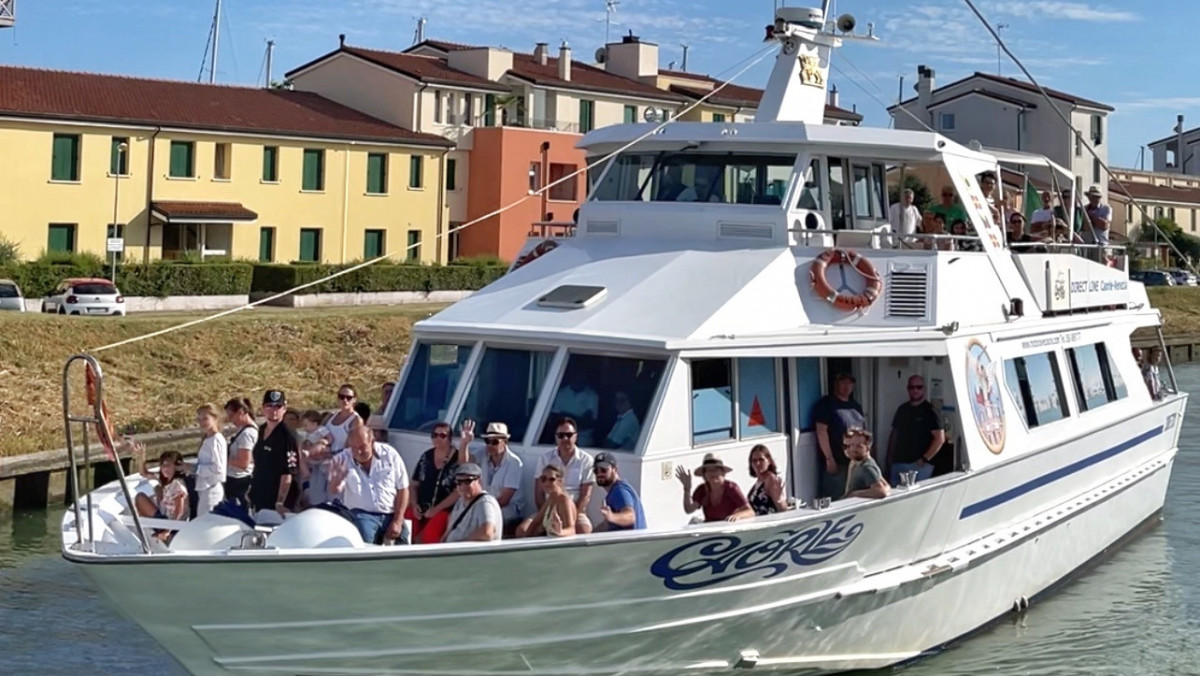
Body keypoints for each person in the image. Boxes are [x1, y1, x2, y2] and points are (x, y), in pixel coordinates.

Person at [327, 425, 410, 545]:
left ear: (372, 442)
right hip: (361, 514)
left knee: (402, 540)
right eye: (354, 448)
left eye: (362, 447)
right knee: (365, 536)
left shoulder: (390, 454)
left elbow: (403, 488)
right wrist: (336, 481)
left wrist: (397, 520)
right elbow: (335, 490)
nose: (358, 452)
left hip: (391, 513)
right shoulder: (341, 459)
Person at [406, 420, 470, 544]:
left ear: (450, 438)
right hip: (421, 507)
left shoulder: (457, 458)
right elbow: (414, 484)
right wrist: (414, 505)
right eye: (434, 435)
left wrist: (436, 509)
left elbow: (458, 490)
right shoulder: (426, 456)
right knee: (406, 530)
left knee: (429, 537)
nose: (437, 438)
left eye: (442, 435)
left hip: (443, 509)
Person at [535, 417, 595, 533]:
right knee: (522, 530)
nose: (565, 438)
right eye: (561, 435)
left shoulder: (586, 460)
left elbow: (585, 495)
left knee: (584, 529)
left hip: (575, 510)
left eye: (569, 435)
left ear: (576, 436)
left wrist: (572, 515)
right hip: (548, 508)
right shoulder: (545, 458)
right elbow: (538, 493)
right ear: (556, 437)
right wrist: (545, 515)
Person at [812, 372, 866, 500]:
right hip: (838, 464)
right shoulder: (826, 405)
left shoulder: (855, 406)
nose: (846, 386)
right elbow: (821, 431)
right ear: (835, 383)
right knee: (837, 499)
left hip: (856, 464)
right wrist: (829, 459)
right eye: (843, 382)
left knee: (855, 499)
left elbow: (863, 433)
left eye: (849, 382)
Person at [886, 376, 946, 485]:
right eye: (912, 387)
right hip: (898, 463)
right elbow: (894, 435)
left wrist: (924, 459)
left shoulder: (931, 411)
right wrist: (889, 460)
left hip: (919, 465)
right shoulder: (902, 409)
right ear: (908, 389)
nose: (915, 390)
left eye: (919, 387)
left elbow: (940, 439)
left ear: (924, 389)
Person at [249, 389, 300, 514]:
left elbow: (288, 473)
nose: (274, 410)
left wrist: (280, 501)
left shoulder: (287, 437)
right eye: (269, 406)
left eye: (278, 406)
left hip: (277, 499)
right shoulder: (261, 431)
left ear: (284, 408)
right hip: (259, 494)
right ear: (263, 408)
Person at [675, 453, 754, 523]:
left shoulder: (731, 488)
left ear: (723, 472)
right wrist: (687, 488)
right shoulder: (702, 490)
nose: (712, 473)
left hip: (730, 527)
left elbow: (750, 511)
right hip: (710, 530)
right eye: (708, 470)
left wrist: (738, 516)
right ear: (704, 475)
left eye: (716, 469)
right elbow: (689, 510)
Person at [478, 422, 524, 533]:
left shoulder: (514, 463)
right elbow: (464, 464)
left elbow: (504, 500)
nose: (489, 445)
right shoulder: (482, 454)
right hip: (485, 505)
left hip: (507, 510)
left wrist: (480, 509)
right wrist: (465, 443)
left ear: (505, 442)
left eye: (494, 442)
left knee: (481, 521)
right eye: (487, 441)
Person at [134, 451, 189, 540]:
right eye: (163, 465)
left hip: (171, 525)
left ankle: (160, 532)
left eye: (168, 465)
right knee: (157, 488)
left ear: (177, 467)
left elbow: (179, 511)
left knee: (140, 498)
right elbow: (144, 473)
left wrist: (167, 530)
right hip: (164, 518)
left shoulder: (177, 484)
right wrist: (141, 457)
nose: (165, 468)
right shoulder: (164, 480)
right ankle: (152, 528)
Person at [442, 463, 502, 543]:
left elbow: (487, 532)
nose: (463, 486)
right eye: (459, 482)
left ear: (479, 481)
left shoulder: (485, 502)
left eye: (467, 481)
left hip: (473, 553)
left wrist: (460, 543)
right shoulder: (460, 502)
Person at [515, 464, 578, 538]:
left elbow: (572, 529)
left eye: (551, 479)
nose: (546, 483)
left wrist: (559, 532)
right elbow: (536, 522)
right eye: (543, 479)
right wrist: (525, 538)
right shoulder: (551, 498)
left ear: (560, 481)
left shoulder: (564, 500)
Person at [593, 452, 646, 531]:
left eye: (604, 470)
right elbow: (607, 525)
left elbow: (630, 517)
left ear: (615, 469)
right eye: (596, 471)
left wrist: (611, 516)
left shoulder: (620, 491)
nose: (599, 473)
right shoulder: (614, 492)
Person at [193, 403, 227, 517]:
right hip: (204, 488)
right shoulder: (207, 439)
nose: (201, 422)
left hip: (211, 489)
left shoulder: (216, 439)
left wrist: (195, 468)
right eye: (199, 419)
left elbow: (218, 468)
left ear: (215, 418)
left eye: (205, 418)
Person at [223, 397, 257, 506]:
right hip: (234, 479)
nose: (230, 419)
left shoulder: (247, 434)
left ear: (241, 412)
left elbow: (243, 463)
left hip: (239, 481)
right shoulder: (242, 430)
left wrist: (223, 459)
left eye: (231, 415)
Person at [549, 373, 599, 446]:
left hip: (583, 439)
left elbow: (588, 422)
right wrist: (576, 419)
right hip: (562, 437)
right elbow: (554, 418)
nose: (578, 379)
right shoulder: (561, 393)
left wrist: (565, 416)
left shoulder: (592, 395)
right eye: (576, 376)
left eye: (581, 377)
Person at [298, 409, 333, 508]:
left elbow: (329, 438)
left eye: (306, 425)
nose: (304, 428)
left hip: (321, 455)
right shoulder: (306, 433)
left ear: (314, 423)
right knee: (304, 456)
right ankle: (306, 472)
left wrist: (324, 442)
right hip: (311, 457)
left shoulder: (321, 430)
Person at [842, 428, 890, 500]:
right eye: (852, 445)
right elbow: (885, 485)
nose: (853, 449)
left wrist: (854, 494)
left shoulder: (867, 467)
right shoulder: (854, 462)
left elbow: (881, 491)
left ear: (868, 448)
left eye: (859, 446)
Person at [746, 445, 788, 516]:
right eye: (754, 460)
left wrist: (779, 500)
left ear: (769, 461)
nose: (757, 463)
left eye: (761, 460)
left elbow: (782, 509)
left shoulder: (770, 479)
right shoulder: (758, 482)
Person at [325, 384, 361, 453]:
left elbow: (349, 447)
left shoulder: (356, 420)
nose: (345, 400)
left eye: (349, 398)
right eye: (342, 397)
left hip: (340, 458)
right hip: (322, 456)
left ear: (354, 400)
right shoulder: (330, 415)